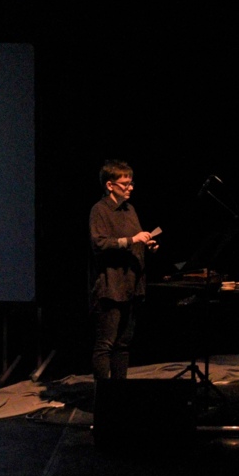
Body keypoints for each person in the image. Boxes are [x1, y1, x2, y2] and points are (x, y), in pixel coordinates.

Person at [88, 159, 158, 380]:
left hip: (131, 285)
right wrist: (131, 240)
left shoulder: (130, 209)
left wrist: (147, 244)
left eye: (131, 183)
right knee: (106, 344)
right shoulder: (100, 210)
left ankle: (119, 393)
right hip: (111, 286)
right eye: (125, 184)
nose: (130, 188)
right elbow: (99, 243)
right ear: (110, 185)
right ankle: (103, 396)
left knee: (123, 344)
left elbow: (134, 240)